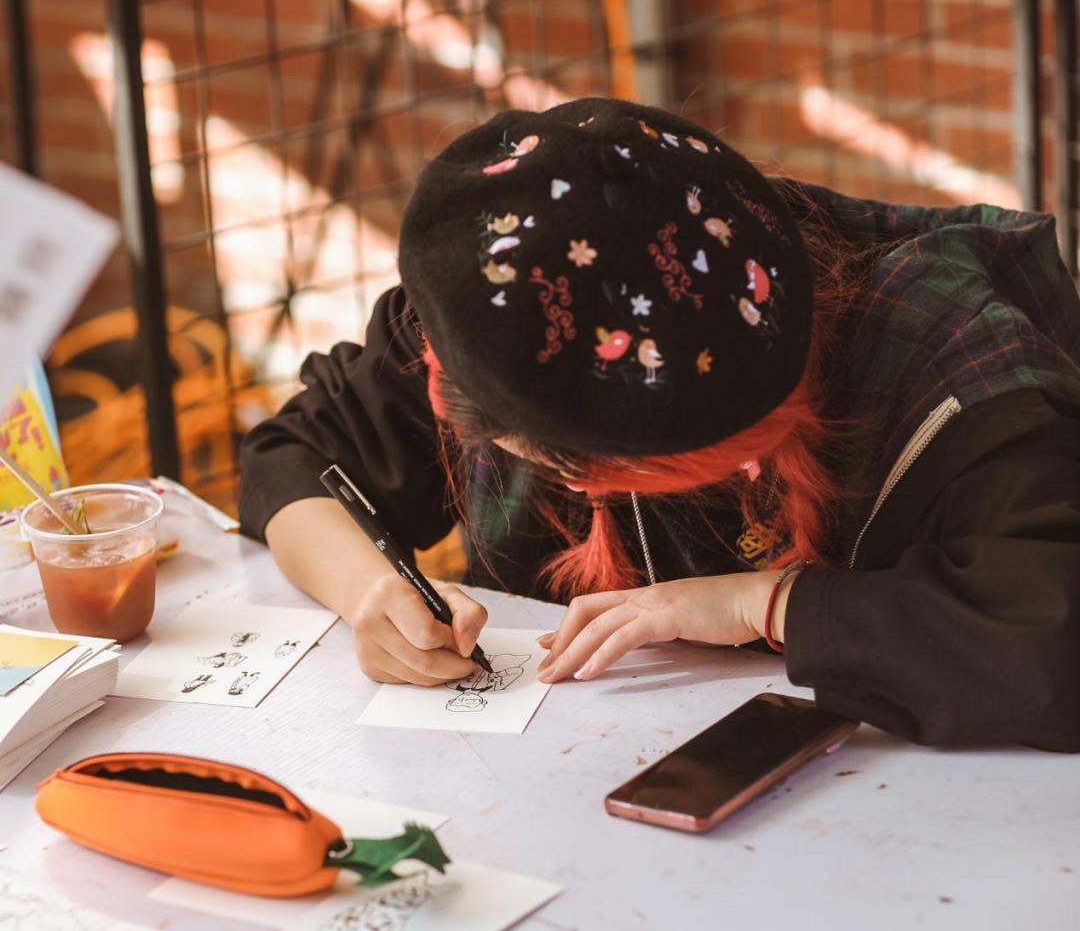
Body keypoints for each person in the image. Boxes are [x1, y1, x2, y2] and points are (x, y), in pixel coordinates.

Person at [240, 95, 1080, 752]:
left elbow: (1053, 640)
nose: (561, 486)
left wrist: (766, 602)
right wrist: (371, 593)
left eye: (575, 472)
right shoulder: (506, 294)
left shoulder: (952, 357)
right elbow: (298, 453)